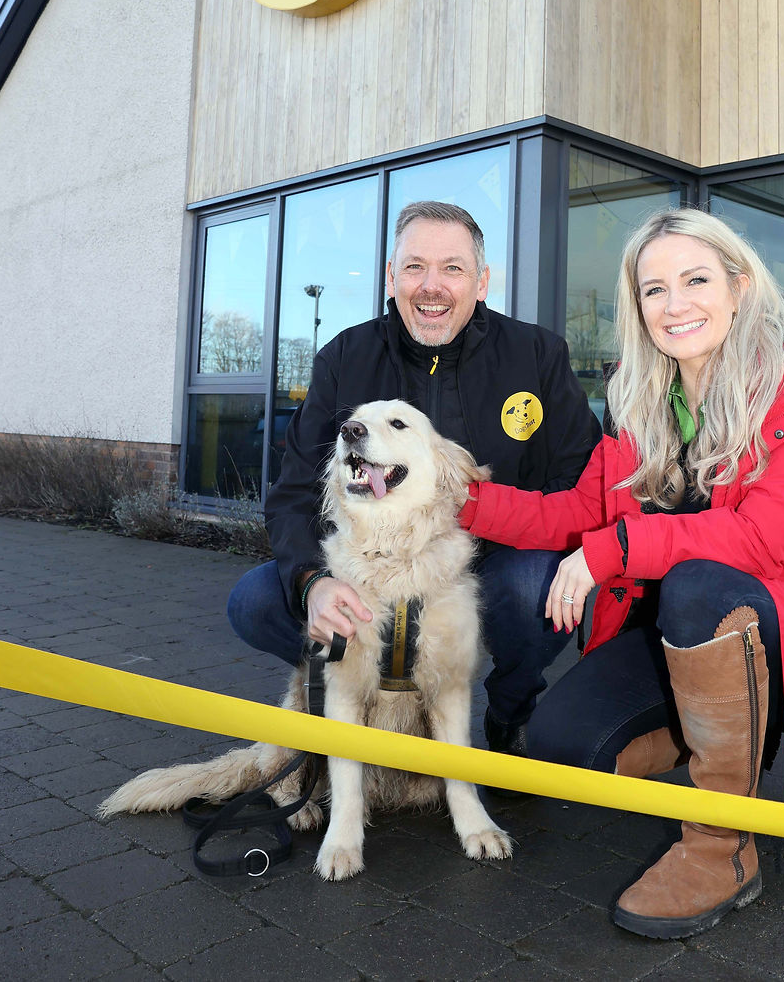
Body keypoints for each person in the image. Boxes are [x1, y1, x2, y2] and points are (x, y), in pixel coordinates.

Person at [458, 207, 784, 939]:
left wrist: (616, 552)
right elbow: (578, 513)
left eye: (695, 279)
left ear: (738, 287)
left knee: (700, 582)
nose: (675, 304)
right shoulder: (640, 404)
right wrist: (458, 499)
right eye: (653, 289)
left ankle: (721, 846)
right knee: (567, 746)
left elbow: (767, 536)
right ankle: (716, 736)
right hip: (683, 643)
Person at [227, 200, 602, 755]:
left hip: (494, 557)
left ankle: (510, 713)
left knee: (534, 589)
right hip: (377, 565)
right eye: (415, 267)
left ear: (482, 282)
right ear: (391, 276)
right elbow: (295, 493)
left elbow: (582, 474)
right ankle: (378, 697)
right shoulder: (344, 358)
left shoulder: (538, 354)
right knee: (256, 600)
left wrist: (577, 551)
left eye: (452, 268)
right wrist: (313, 582)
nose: (432, 286)